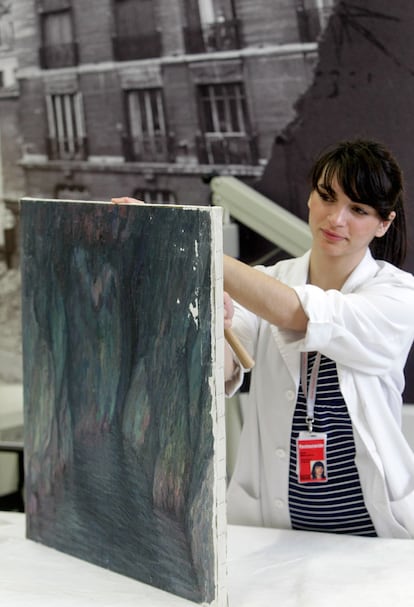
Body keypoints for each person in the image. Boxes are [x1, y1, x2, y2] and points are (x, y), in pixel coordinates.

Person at [223, 139, 414, 539]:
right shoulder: (269, 282)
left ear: (384, 223)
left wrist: (198, 246)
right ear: (310, 198)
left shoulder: (398, 295)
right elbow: (223, 361)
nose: (336, 219)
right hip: (274, 531)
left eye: (358, 210)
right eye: (326, 197)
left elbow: (300, 313)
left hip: (371, 535)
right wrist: (213, 327)